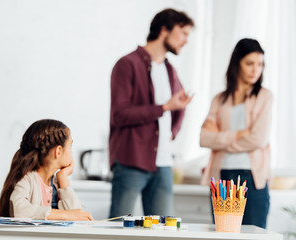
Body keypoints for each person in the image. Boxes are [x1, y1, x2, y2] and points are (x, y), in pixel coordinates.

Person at [109, 8, 194, 218]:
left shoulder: (170, 70)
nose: (186, 40)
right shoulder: (127, 64)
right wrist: (163, 108)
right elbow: (120, 115)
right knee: (118, 229)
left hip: (164, 164)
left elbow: (180, 105)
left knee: (163, 232)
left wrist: (172, 132)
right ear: (164, 30)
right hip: (131, 160)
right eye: (183, 33)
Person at [200, 38, 272, 228]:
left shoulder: (264, 97)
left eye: (260, 64)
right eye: (249, 63)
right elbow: (204, 138)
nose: (255, 69)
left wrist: (221, 139)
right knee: (224, 234)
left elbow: (258, 139)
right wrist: (239, 134)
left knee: (254, 236)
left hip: (252, 177)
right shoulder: (219, 99)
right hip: (221, 176)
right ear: (236, 63)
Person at [0, 119, 93, 220]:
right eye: (70, 147)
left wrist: (63, 177)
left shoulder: (56, 182)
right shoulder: (28, 179)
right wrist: (65, 215)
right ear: (58, 151)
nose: (72, 153)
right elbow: (20, 210)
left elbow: (78, 217)